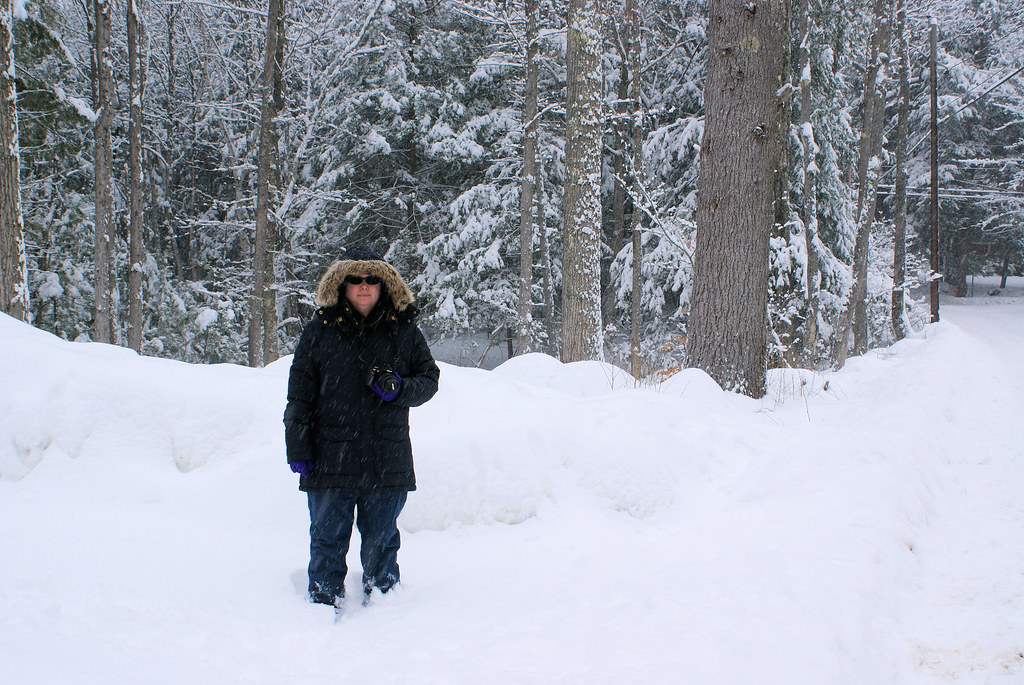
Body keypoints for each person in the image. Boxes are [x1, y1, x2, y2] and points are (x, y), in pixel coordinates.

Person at [284, 245, 440, 612]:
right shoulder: (319, 331)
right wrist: (298, 447)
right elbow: (299, 396)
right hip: (329, 457)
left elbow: (429, 380)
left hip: (386, 458)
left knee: (382, 541)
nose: (364, 286)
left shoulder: (404, 330)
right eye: (355, 279)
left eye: (372, 278)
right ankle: (323, 606)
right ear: (343, 283)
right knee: (327, 540)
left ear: (384, 283)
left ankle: (385, 606)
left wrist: (399, 388)